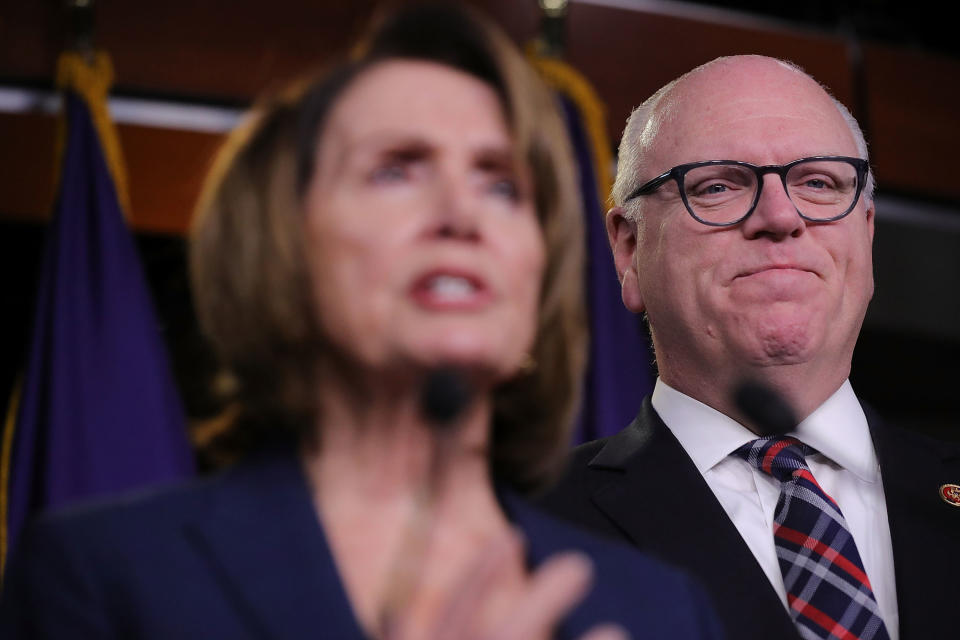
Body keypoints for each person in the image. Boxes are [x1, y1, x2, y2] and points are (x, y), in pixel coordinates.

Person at [0, 5, 723, 639]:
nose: (461, 213)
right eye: (396, 169)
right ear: (284, 243)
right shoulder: (105, 576)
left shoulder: (663, 611)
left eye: (501, 184)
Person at [538, 55, 960, 640]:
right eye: (716, 185)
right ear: (629, 251)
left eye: (818, 182)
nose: (781, 216)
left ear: (866, 235)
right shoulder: (515, 527)